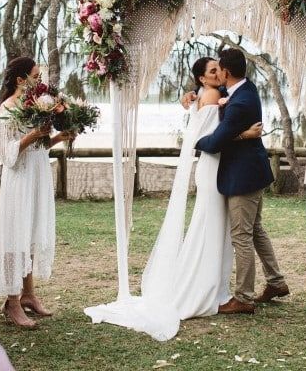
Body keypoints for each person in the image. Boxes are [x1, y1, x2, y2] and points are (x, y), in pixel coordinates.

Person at [84, 57, 262, 340]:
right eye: (212, 71)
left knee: (212, 227)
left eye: (219, 69)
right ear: (203, 79)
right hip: (213, 164)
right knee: (212, 227)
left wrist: (192, 97)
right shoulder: (215, 94)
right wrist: (242, 134)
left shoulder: (212, 93)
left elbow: (217, 119)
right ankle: (207, 289)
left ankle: (212, 286)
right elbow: (213, 138)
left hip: (213, 167)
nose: (218, 73)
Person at [195, 48, 289, 314]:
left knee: (242, 237)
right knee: (256, 230)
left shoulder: (239, 104)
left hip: (243, 177)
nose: (217, 75)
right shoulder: (244, 90)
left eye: (219, 70)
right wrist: (194, 97)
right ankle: (276, 282)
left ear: (225, 72)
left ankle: (244, 297)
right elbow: (222, 99)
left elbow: (213, 143)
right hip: (253, 172)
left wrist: (194, 139)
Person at [0, 57, 75, 328]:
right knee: (15, 238)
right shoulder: (6, 109)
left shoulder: (33, 107)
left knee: (30, 235)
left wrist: (56, 138)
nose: (40, 82)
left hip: (37, 177)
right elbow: (8, 155)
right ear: (21, 80)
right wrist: (32, 135)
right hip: (18, 181)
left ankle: (29, 294)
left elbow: (38, 148)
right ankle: (12, 301)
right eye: (36, 76)